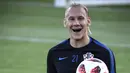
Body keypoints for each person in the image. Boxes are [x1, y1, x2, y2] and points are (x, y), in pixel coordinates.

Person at [47, 3, 116, 73]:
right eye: (71, 19)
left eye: (80, 18)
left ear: (88, 21)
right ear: (65, 23)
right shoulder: (55, 53)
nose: (76, 23)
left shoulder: (104, 52)